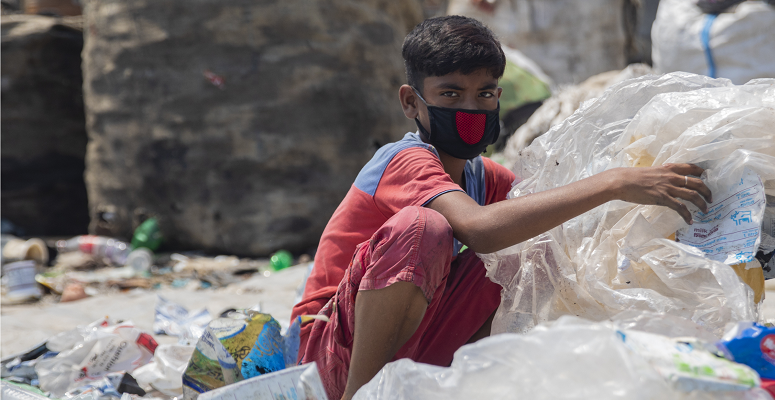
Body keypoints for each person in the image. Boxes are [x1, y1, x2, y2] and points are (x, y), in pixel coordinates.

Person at [291, 15, 713, 400]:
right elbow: (479, 228)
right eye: (451, 95)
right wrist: (615, 182)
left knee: (538, 245)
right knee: (425, 228)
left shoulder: (485, 176)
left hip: (409, 354)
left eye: (485, 94)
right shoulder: (404, 160)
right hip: (327, 355)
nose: (471, 110)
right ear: (411, 102)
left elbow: (559, 215)